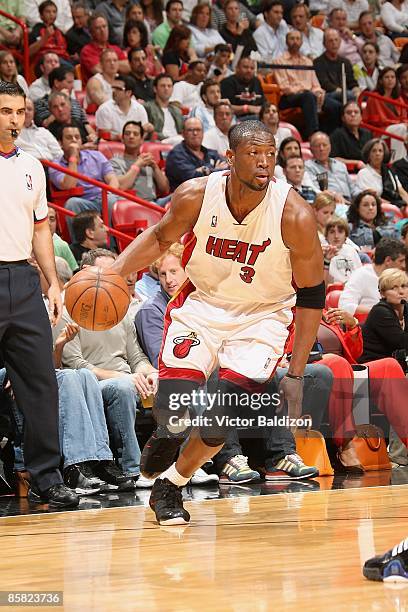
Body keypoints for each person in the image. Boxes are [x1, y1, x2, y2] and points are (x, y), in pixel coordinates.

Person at [110, 119, 325, 525]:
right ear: (230, 158)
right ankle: (167, 432)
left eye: (270, 154)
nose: (264, 163)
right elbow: (158, 238)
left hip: (262, 317)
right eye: (253, 154)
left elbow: (313, 294)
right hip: (203, 305)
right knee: (175, 409)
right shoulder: (196, 194)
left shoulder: (294, 213)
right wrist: (115, 274)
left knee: (219, 419)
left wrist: (295, 373)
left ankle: (171, 484)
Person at [0, 81, 77, 508]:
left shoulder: (32, 166)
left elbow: (41, 227)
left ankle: (47, 476)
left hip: (22, 278)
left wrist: (53, 281)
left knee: (41, 382)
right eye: (5, 111)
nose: (14, 120)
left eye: (19, 111)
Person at [59, 248, 159, 481]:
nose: (111, 278)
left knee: (171, 384)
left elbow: (136, 358)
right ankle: (132, 468)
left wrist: (150, 372)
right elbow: (75, 366)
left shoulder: (120, 309)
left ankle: (185, 465)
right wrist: (123, 377)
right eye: (105, 272)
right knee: (122, 389)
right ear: (85, 272)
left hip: (130, 380)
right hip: (91, 386)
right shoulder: (67, 312)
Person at [48, 124, 119, 238]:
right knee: (72, 203)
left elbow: (112, 179)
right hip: (83, 202)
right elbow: (68, 185)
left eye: (77, 137)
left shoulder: (97, 155)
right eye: (69, 137)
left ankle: (109, 244)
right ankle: (80, 247)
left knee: (111, 200)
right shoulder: (55, 165)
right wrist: (73, 158)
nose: (74, 140)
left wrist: (109, 192)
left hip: (103, 197)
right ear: (60, 143)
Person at [273, 30, 330, 139]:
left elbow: (315, 84)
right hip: (288, 98)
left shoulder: (308, 61)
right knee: (308, 96)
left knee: (332, 103)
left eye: (298, 39)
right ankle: (313, 135)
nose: (295, 41)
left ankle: (329, 137)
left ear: (302, 42)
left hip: (308, 95)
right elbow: (285, 87)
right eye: (292, 39)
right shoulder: (279, 61)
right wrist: (305, 90)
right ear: (286, 42)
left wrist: (319, 93)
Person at [339, 237, 406, 315]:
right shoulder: (361, 275)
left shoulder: (401, 277)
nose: (404, 265)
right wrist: (380, 312)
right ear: (388, 260)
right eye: (401, 261)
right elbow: (344, 306)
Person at [110, 121, 170, 203]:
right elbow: (121, 186)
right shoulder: (115, 162)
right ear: (122, 139)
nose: (131, 136)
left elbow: (165, 189)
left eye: (135, 134)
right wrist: (137, 165)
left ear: (142, 140)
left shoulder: (147, 161)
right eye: (127, 134)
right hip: (130, 204)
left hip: (154, 202)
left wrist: (155, 167)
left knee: (181, 196)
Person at [165, 117, 228, 191]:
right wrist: (216, 170)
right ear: (183, 134)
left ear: (203, 133)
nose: (195, 133)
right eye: (190, 130)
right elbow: (192, 179)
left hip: (209, 194)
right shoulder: (176, 155)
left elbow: (226, 169)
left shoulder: (211, 153)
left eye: (198, 130)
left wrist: (205, 170)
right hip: (184, 197)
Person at [360, 267, 408, 363]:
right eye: (394, 288)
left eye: (403, 286)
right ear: (382, 294)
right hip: (375, 364)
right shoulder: (380, 312)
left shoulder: (406, 308)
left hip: (396, 362)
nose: (401, 291)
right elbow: (401, 342)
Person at [362, 67, 408, 162]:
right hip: (380, 130)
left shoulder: (398, 97)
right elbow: (378, 120)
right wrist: (399, 123)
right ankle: (396, 161)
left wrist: (405, 123)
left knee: (402, 128)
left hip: (396, 127)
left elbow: (404, 116)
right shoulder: (374, 97)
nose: (390, 79)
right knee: (401, 128)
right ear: (381, 81)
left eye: (393, 77)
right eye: (387, 77)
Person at [313, 29, 360, 118]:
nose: (334, 43)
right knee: (339, 103)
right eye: (330, 41)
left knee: (357, 96)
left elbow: (352, 81)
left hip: (345, 94)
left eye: (336, 40)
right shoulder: (318, 62)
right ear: (324, 44)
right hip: (328, 94)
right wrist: (339, 90)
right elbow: (324, 83)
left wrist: (356, 89)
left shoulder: (345, 62)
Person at [306, 131, 360, 204]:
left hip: (349, 202)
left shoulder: (340, 165)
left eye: (324, 145)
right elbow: (315, 190)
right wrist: (333, 195)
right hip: (329, 203)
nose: (321, 149)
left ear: (330, 147)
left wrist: (364, 194)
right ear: (311, 149)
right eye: (317, 146)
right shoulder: (308, 166)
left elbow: (353, 189)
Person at [95, 74, 152, 140]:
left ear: (128, 92)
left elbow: (144, 133)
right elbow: (103, 134)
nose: (113, 91)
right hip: (112, 146)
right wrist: (120, 137)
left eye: (118, 89)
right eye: (113, 88)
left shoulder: (139, 109)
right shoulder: (105, 109)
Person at [356, 139, 408, 209]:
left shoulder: (389, 171)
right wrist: (393, 205)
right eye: (374, 151)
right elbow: (371, 199)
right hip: (377, 209)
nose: (377, 154)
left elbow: (401, 191)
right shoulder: (363, 173)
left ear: (384, 154)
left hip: (396, 206)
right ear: (368, 154)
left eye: (380, 151)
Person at [80, 13, 129, 84]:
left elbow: (128, 67)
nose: (102, 30)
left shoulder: (115, 48)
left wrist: (108, 63)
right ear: (91, 32)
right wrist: (118, 65)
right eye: (98, 28)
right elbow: (100, 72)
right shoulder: (87, 51)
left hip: (118, 85)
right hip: (96, 87)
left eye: (104, 26)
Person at [29, 0, 71, 66]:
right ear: (41, 15)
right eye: (48, 12)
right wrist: (45, 37)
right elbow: (28, 52)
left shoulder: (59, 31)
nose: (51, 14)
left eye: (54, 12)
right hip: (45, 61)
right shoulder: (37, 29)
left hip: (62, 59)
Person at [329, 101, 372, 166]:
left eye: (356, 112)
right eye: (349, 112)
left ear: (361, 117)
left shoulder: (367, 133)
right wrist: (356, 163)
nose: (353, 115)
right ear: (343, 118)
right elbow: (333, 159)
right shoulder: (337, 134)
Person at [145, 73, 184, 143]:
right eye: (163, 86)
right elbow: (149, 133)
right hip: (159, 142)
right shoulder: (147, 107)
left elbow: (182, 132)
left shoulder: (177, 111)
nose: (166, 88)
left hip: (177, 143)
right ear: (155, 89)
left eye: (169, 86)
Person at [324, 216, 362, 284]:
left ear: (346, 235)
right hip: (334, 290)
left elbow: (360, 275)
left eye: (340, 232)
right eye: (332, 232)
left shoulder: (351, 250)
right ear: (326, 236)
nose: (336, 236)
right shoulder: (323, 253)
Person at [47, 206, 78, 271]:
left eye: (52, 219)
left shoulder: (62, 245)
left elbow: (74, 272)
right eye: (44, 219)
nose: (49, 223)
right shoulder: (26, 245)